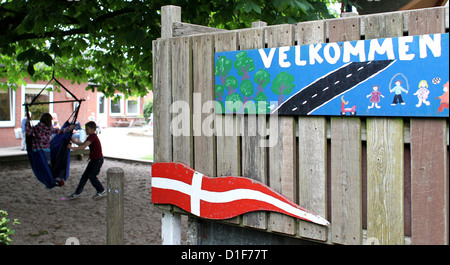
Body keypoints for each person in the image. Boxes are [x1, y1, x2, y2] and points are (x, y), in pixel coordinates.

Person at [68, 121, 106, 200]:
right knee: (84, 176)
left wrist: (71, 148)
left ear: (93, 129)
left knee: (92, 176)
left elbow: (83, 147)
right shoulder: (90, 137)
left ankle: (101, 190)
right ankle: (78, 193)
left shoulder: (93, 137)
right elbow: (82, 144)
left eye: (87, 129)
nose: (86, 131)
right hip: (93, 160)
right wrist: (72, 140)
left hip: (97, 160)